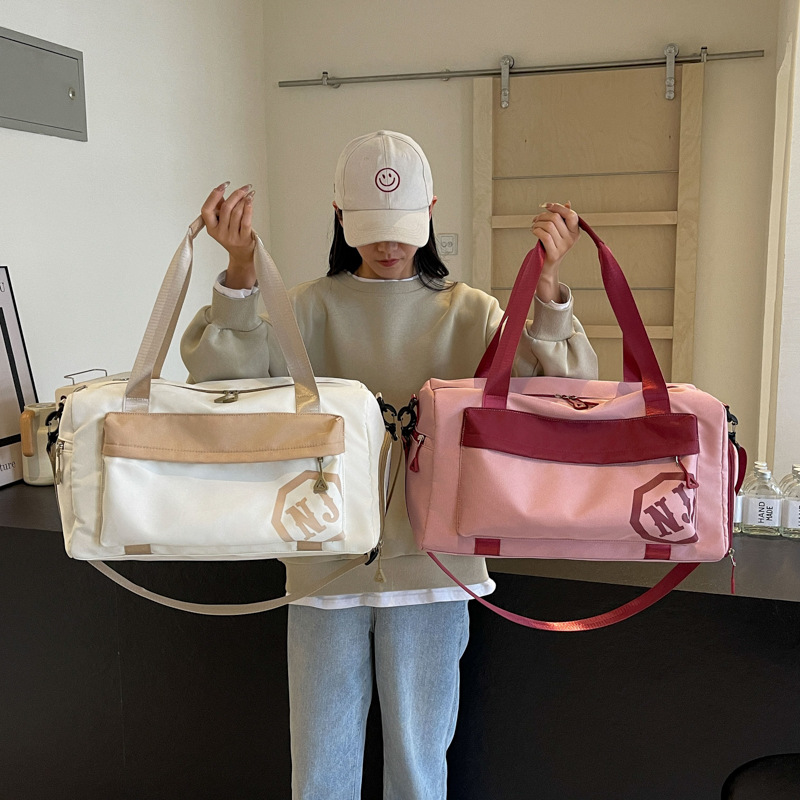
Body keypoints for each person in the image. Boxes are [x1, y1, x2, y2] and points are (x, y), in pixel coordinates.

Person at [181, 130, 598, 800]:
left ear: (429, 211)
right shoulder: (304, 307)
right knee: (320, 771)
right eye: (370, 228)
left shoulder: (471, 313)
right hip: (324, 563)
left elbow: (563, 389)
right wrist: (240, 272)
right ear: (341, 217)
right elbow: (219, 378)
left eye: (400, 227)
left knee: (419, 769)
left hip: (435, 568)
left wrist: (546, 285)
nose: (387, 245)